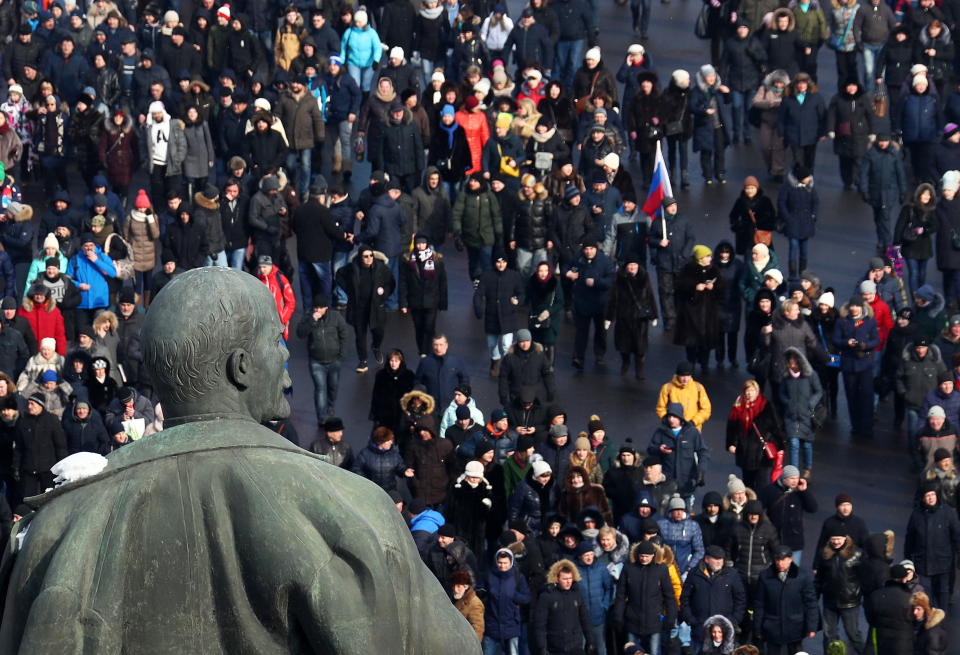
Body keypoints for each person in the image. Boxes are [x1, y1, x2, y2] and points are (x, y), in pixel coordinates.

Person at [335, 246, 395, 374]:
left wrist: (384, 295)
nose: (369, 259)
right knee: (360, 335)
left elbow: (391, 283)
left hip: (375, 307)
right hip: (358, 308)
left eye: (371, 256)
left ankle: (376, 346)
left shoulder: (381, 268)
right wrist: (349, 290)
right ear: (360, 257)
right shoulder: (353, 267)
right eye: (365, 256)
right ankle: (363, 361)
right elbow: (339, 275)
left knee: (379, 331)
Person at [612, 540, 677, 655]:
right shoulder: (628, 568)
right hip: (632, 621)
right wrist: (618, 616)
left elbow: (669, 596)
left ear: (653, 555)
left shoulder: (661, 569)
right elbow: (620, 595)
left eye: (647, 556)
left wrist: (671, 617)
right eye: (642, 556)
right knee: (631, 652)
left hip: (654, 622)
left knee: (654, 651)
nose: (644, 559)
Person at [751, 546, 819, 655]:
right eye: (777, 560)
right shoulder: (765, 576)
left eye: (783, 560)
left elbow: (811, 603)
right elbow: (759, 603)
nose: (780, 563)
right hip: (772, 627)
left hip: (795, 627)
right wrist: (758, 628)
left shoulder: (802, 576)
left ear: (790, 559)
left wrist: (812, 626)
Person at [904, 482, 960, 610]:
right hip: (922, 563)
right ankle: (928, 621)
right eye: (927, 495)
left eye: (932, 494)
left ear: (937, 495)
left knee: (943, 592)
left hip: (943, 562)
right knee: (925, 594)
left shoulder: (948, 513)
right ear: (923, 498)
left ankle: (941, 618)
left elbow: (957, 535)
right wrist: (907, 560)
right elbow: (910, 538)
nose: (930, 498)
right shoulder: (916, 514)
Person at [680, 546, 747, 648]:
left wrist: (733, 621)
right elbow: (685, 598)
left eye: (721, 559)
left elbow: (740, 600)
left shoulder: (732, 574)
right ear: (707, 559)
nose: (719, 562)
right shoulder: (694, 574)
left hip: (724, 631)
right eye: (716, 559)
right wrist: (691, 619)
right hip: (700, 629)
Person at [296, 293, 348, 423]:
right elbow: (300, 333)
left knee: (333, 387)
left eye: (320, 307)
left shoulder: (335, 317)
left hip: (334, 360)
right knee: (320, 389)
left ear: (326, 308)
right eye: (316, 307)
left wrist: (342, 355)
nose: (318, 310)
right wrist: (312, 321)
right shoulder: (309, 317)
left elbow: (344, 333)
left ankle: (330, 406)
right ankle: (322, 417)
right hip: (316, 362)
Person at [832, 295, 880, 437]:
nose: (854, 308)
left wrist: (865, 346)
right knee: (851, 395)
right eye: (852, 306)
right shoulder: (842, 322)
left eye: (856, 306)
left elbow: (876, 340)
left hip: (864, 364)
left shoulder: (869, 322)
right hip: (849, 364)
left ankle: (867, 426)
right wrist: (846, 343)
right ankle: (856, 425)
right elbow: (836, 339)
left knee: (866, 396)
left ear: (861, 307)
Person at [604, 255, 657, 379]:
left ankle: (639, 370)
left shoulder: (644, 277)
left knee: (640, 346)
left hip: (640, 318)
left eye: (635, 264)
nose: (632, 267)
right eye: (630, 265)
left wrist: (654, 315)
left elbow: (650, 295)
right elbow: (613, 298)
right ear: (626, 266)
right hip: (624, 316)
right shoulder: (620, 278)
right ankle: (625, 362)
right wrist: (609, 318)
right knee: (624, 345)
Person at [726, 379, 784, 491]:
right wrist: (731, 443)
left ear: (757, 391)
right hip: (746, 452)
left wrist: (780, 446)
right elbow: (732, 427)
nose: (749, 393)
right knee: (748, 483)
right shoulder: (738, 406)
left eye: (752, 390)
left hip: (762, 453)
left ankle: (762, 506)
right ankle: (751, 506)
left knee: (763, 484)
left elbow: (775, 426)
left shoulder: (765, 405)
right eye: (747, 391)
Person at [474, 250, 523, 378]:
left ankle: (507, 366)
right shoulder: (487, 276)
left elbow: (521, 293)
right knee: (492, 344)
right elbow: (479, 294)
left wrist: (517, 301)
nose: (501, 264)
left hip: (508, 315)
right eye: (498, 262)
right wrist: (478, 309)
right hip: (492, 316)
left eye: (503, 262)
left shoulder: (514, 276)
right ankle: (495, 361)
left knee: (507, 344)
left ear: (507, 262)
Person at [674, 244, 723, 372]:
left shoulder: (714, 270)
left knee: (706, 340)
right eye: (707, 256)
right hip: (691, 312)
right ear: (700, 258)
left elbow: (722, 287)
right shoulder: (688, 269)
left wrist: (714, 287)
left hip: (708, 312)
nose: (710, 258)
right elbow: (680, 286)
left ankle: (704, 363)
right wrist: (694, 287)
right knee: (691, 341)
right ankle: (691, 363)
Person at [400, 233, 449, 358]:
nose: (420, 246)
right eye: (418, 243)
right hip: (415, 300)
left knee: (429, 326)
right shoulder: (408, 260)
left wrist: (443, 302)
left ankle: (426, 351)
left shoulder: (437, 260)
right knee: (419, 327)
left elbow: (442, 282)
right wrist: (403, 303)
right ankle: (422, 349)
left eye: (423, 243)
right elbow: (403, 282)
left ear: (427, 244)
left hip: (431, 300)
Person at [778, 348, 823, 479]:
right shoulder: (786, 377)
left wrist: (811, 403)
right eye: (789, 363)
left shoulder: (811, 375)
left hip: (807, 416)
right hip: (791, 416)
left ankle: (807, 468)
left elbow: (818, 391)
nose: (792, 365)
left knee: (808, 444)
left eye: (794, 363)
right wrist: (787, 402)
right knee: (793, 443)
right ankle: (794, 473)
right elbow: (781, 393)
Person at [759, 465, 818, 564]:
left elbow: (813, 508)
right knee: (773, 570)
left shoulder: (800, 492)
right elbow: (759, 508)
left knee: (793, 573)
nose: (795, 481)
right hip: (774, 539)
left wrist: (805, 491)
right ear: (784, 478)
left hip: (794, 540)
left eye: (796, 478)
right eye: (791, 478)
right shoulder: (770, 490)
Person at [859, 135, 908, 253]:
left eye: (885, 141)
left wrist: (903, 191)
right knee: (877, 217)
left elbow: (900, 174)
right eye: (881, 141)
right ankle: (881, 239)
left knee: (885, 218)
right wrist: (864, 190)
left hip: (889, 192)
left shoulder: (894, 154)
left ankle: (888, 245)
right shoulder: (870, 154)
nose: (883, 143)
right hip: (874, 191)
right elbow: (864, 174)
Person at [864, 564, 915, 655]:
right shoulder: (909, 598)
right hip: (903, 642)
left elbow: (870, 618)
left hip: (882, 640)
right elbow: (915, 620)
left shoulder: (876, 595)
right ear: (904, 579)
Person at [655, 361, 712, 430]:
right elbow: (660, 408)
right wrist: (669, 422)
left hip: (693, 429)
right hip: (673, 429)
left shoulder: (698, 388)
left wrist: (693, 422)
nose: (685, 379)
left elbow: (706, 409)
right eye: (682, 376)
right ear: (677, 375)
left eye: (688, 376)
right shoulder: (667, 388)